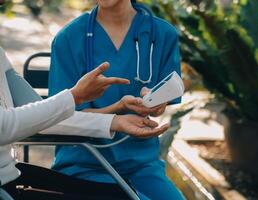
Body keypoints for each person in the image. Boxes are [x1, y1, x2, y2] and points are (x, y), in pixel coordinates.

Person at [49, 0, 184, 199]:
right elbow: (62, 116)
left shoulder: (163, 34)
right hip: (84, 163)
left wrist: (154, 104)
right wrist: (118, 110)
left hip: (142, 164)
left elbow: (162, 104)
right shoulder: (68, 38)